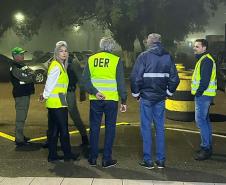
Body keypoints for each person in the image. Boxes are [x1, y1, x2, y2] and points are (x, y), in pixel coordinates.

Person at [130, 33, 179, 169]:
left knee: (146, 128)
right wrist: (168, 93)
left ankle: (148, 160)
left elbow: (135, 78)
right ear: (159, 42)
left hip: (146, 97)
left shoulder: (143, 56)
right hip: (160, 98)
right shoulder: (168, 56)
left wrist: (136, 94)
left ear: (149, 42)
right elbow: (175, 79)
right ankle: (161, 160)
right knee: (160, 129)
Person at [83, 37, 127, 168]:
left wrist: (94, 92)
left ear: (101, 45)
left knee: (94, 127)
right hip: (111, 100)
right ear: (112, 47)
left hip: (96, 99)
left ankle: (92, 158)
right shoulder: (116, 60)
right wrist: (123, 99)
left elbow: (85, 80)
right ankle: (106, 159)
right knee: (110, 128)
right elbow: (120, 82)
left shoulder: (91, 59)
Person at [39, 41, 79, 162]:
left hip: (58, 102)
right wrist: (44, 95)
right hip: (56, 103)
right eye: (61, 51)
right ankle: (67, 154)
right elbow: (50, 83)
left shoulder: (61, 65)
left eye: (65, 51)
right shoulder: (56, 66)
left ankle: (52, 155)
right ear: (56, 53)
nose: (64, 53)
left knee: (54, 130)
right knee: (63, 130)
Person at [42, 54, 89, 148]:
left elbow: (79, 76)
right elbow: (48, 76)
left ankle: (84, 137)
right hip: (59, 94)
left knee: (73, 115)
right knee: (56, 115)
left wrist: (82, 91)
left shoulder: (72, 61)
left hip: (68, 92)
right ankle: (51, 139)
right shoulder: (54, 60)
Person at [191, 39, 217, 161]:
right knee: (205, 121)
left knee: (200, 120)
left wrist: (198, 92)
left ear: (204, 48)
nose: (194, 48)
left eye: (197, 46)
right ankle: (207, 146)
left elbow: (205, 81)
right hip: (206, 95)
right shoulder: (204, 59)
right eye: (194, 46)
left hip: (203, 95)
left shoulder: (206, 60)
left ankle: (206, 149)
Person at [10, 47, 35, 147]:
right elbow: (27, 77)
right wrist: (29, 77)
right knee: (20, 117)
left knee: (23, 116)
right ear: (15, 56)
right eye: (21, 54)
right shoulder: (15, 67)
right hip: (20, 95)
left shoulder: (22, 65)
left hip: (25, 93)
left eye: (23, 54)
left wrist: (29, 76)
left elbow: (31, 75)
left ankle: (20, 136)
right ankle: (19, 140)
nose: (23, 55)